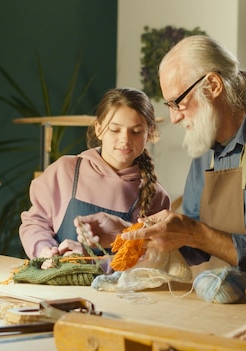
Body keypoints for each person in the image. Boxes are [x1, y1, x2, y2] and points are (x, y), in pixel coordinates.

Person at [76, 35, 246, 297]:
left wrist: (195, 232)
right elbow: (193, 245)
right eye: (169, 105)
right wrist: (133, 235)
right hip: (215, 298)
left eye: (178, 102)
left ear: (213, 85)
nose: (174, 117)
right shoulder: (205, 146)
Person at [19, 87, 171, 259]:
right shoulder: (65, 171)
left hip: (118, 286)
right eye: (115, 130)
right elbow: (35, 223)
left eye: (136, 131)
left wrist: (91, 261)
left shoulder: (155, 195)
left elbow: (153, 258)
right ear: (98, 129)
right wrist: (45, 251)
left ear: (149, 133)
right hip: (56, 282)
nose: (125, 140)